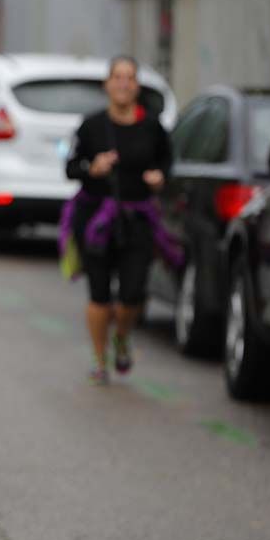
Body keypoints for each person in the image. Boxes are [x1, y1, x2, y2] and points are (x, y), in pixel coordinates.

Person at [61, 55, 177, 385]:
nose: (123, 83)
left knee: (132, 295)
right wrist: (92, 168)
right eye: (118, 77)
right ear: (107, 84)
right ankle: (100, 362)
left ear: (137, 86)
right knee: (99, 294)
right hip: (95, 220)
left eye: (130, 78)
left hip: (137, 219)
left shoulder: (153, 127)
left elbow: (168, 163)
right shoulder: (91, 126)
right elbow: (71, 168)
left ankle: (122, 335)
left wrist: (159, 177)